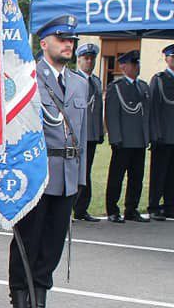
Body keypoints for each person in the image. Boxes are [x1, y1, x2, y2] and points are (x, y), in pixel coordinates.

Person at [9, 15, 87, 308]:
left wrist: (80, 178)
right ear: (44, 43)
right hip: (37, 174)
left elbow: (83, 137)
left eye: (71, 40)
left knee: (53, 245)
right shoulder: (28, 79)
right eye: (62, 39)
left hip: (67, 175)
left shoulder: (80, 83)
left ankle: (39, 306)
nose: (68, 44)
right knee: (27, 243)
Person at [105, 50, 151, 223]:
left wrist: (146, 137)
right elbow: (111, 114)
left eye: (137, 63)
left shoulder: (143, 86)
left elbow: (146, 114)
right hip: (123, 140)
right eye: (134, 63)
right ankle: (112, 210)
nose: (137, 66)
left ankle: (131, 209)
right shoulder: (116, 87)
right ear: (123, 66)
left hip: (138, 140)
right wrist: (115, 138)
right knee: (116, 177)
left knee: (136, 178)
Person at [72, 43, 104, 222]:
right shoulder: (73, 79)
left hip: (91, 134)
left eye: (92, 59)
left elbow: (98, 109)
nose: (90, 62)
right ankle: (70, 207)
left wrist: (100, 132)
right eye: (86, 58)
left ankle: (81, 208)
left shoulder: (96, 82)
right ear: (79, 60)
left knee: (86, 172)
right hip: (77, 135)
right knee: (74, 171)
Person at [147, 43, 174, 221]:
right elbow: (153, 108)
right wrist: (155, 134)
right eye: (173, 57)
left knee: (172, 174)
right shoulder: (159, 79)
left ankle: (169, 206)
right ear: (166, 59)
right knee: (159, 173)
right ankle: (154, 206)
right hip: (162, 134)